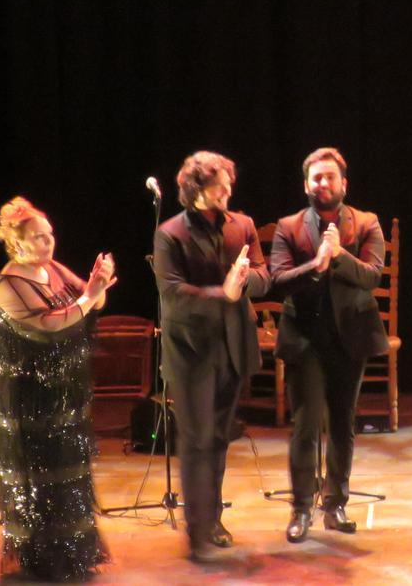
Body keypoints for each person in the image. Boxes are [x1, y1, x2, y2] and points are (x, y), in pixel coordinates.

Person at [0, 196, 115, 581]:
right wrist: (90, 296)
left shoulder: (53, 268)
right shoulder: (10, 283)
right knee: (40, 479)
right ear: (17, 242)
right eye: (38, 238)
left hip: (63, 394)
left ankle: (71, 554)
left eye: (50, 235)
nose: (48, 243)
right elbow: (49, 324)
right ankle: (41, 557)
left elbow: (92, 302)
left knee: (69, 475)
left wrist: (99, 285)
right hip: (30, 399)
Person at [152, 151, 270, 561]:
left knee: (219, 437)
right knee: (197, 439)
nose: (228, 191)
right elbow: (173, 294)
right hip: (190, 351)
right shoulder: (170, 234)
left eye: (229, 183)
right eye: (220, 184)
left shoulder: (244, 225)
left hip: (232, 345)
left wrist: (246, 279)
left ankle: (213, 518)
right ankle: (197, 528)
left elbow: (262, 274)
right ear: (195, 189)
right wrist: (226, 293)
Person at [269, 147, 390, 543]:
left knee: (342, 423)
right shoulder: (288, 226)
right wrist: (316, 264)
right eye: (316, 178)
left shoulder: (368, 223)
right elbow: (279, 279)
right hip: (304, 336)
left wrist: (336, 255)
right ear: (306, 184)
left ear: (343, 183)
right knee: (305, 426)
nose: (323, 183)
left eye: (330, 177)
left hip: (349, 336)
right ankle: (301, 509)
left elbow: (372, 276)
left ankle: (335, 504)